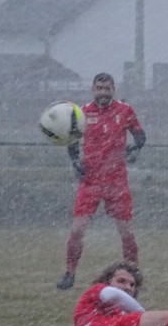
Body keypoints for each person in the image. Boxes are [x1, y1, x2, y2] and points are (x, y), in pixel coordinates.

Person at [57, 72, 146, 290]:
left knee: (126, 231)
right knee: (77, 230)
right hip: (91, 180)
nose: (103, 93)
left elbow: (140, 136)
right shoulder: (83, 113)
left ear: (113, 89)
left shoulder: (125, 111)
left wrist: (134, 150)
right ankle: (70, 273)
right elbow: (72, 142)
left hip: (117, 181)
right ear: (93, 89)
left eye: (107, 89)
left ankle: (134, 277)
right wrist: (75, 161)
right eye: (99, 88)